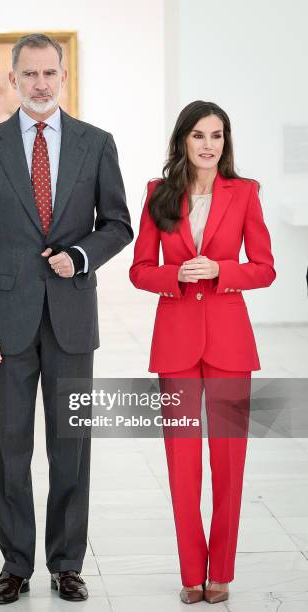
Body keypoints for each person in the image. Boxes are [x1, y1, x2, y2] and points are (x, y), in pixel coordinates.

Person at [0, 33, 133, 605]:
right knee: (10, 448)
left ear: (63, 77)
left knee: (71, 447)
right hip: (4, 327)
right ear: (14, 80)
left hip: (71, 318)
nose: (40, 84)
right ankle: (14, 565)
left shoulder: (95, 144)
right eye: (29, 74)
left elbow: (117, 224)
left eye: (49, 74)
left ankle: (66, 563)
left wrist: (79, 256)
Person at [130, 101, 275, 605]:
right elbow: (140, 269)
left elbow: (264, 267)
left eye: (216, 135)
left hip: (231, 342)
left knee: (230, 463)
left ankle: (223, 573)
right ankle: (192, 573)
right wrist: (175, 277)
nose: (208, 144)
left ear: (225, 141)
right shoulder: (158, 194)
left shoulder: (245, 193)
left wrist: (221, 271)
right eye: (198, 135)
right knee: (182, 463)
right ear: (183, 141)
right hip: (176, 344)